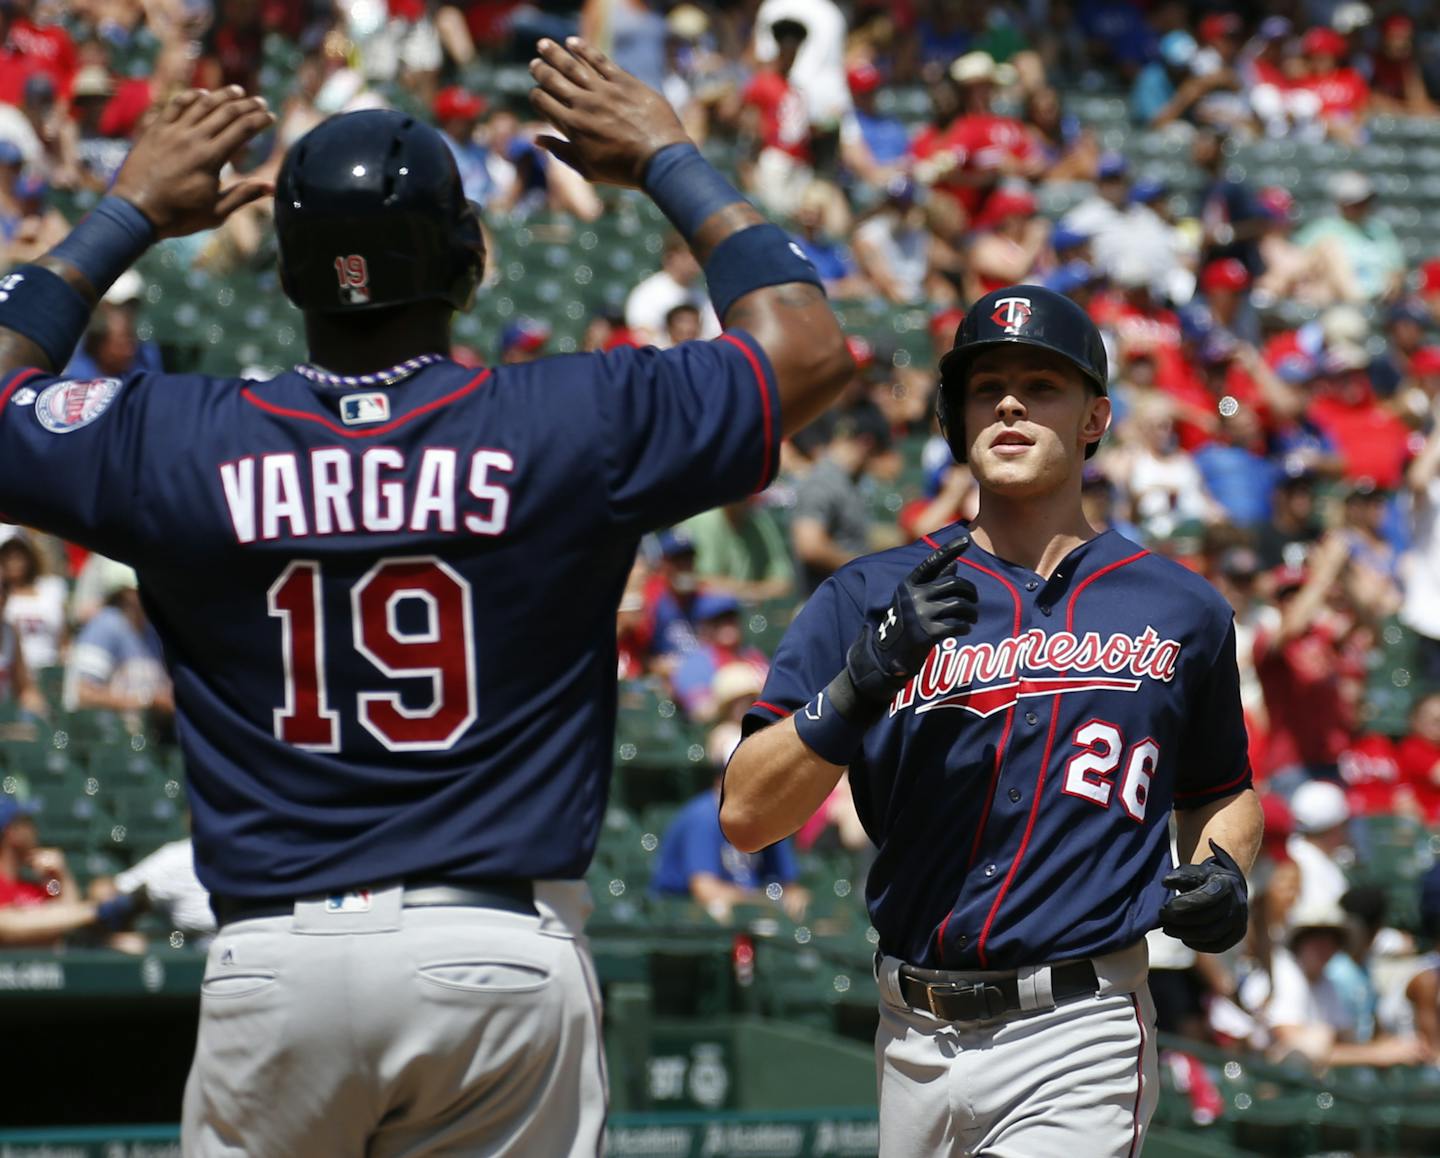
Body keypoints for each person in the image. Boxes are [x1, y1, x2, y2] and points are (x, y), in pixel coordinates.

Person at [0, 42, 851, 1154]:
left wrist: (124, 212)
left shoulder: (179, 437)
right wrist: (665, 155)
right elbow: (811, 348)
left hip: (274, 958)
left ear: (291, 270)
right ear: (470, 258)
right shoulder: (569, 421)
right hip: (496, 949)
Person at [723, 285, 1263, 1155]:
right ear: (957, 420)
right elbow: (749, 813)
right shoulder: (868, 596)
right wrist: (863, 679)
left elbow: (1219, 791)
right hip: (908, 1033)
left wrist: (1223, 868)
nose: (1009, 401)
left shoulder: (1181, 608)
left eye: (1041, 385)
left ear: (1096, 419)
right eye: (986, 387)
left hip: (1078, 1027)